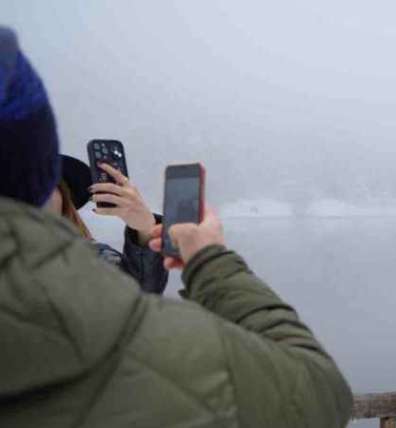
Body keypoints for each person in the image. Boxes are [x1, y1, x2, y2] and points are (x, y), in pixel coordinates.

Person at [0, 27, 353, 427]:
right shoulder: (156, 349)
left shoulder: (91, 262)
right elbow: (317, 394)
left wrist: (140, 228)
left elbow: (134, 292)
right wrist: (210, 262)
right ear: (44, 185)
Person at [44, 154, 168, 294]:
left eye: (42, 183)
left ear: (63, 196)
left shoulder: (89, 257)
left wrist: (145, 231)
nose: (30, 194)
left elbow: (137, 297)